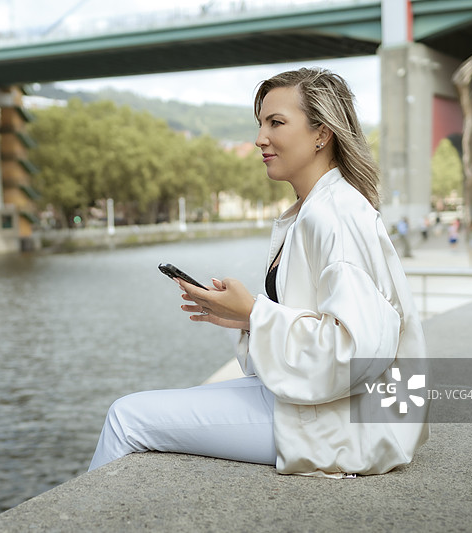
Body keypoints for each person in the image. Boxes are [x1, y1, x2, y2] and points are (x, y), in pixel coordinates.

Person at [88, 67, 429, 478]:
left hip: (341, 422)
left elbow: (358, 351)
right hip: (323, 404)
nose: (259, 138)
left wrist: (254, 313)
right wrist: (243, 317)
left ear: (323, 133)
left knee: (127, 418)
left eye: (276, 122)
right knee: (173, 405)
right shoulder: (315, 209)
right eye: (260, 123)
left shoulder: (334, 217)